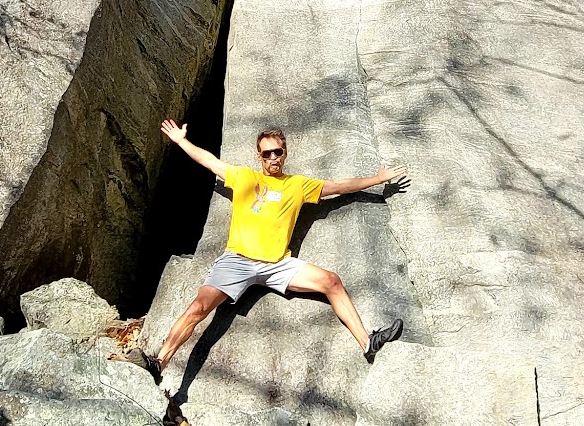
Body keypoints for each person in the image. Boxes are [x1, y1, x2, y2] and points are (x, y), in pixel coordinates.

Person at [147, 119, 408, 379]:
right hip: (238, 260)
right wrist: (181, 141)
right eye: (267, 153)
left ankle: (367, 342)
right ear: (259, 156)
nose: (273, 157)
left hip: (277, 265)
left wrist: (377, 179)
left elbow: (339, 186)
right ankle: (159, 362)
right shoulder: (244, 177)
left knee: (332, 281)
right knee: (199, 309)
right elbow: (209, 161)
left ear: (285, 153)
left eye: (278, 152)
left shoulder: (298, 185)